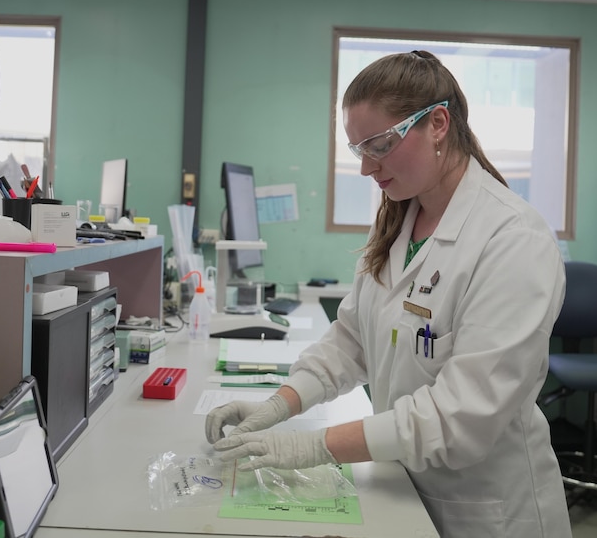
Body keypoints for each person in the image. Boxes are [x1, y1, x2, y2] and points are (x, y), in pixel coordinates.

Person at [205, 50, 571, 537]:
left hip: (486, 508)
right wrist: (280, 405)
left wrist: (313, 447)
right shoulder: (400, 223)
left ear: (437, 123)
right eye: (359, 150)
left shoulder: (512, 239)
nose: (366, 169)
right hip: (404, 486)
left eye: (378, 144)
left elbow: (463, 414)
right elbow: (352, 340)